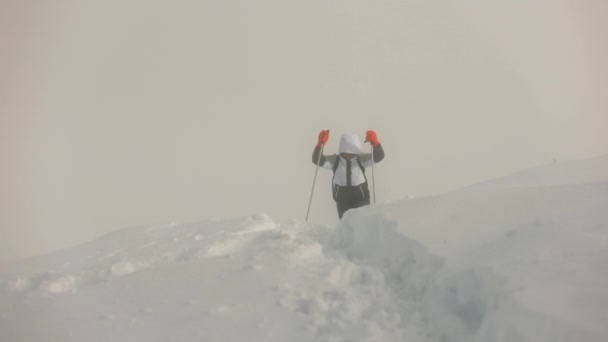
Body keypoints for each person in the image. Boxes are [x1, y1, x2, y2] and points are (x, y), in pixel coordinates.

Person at [312, 130, 385, 218]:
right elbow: (317, 160)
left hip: (360, 196)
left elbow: (379, 156)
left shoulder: (361, 159)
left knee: (361, 221)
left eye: (352, 153)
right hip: (342, 197)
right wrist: (320, 145)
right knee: (345, 224)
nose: (349, 155)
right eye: (346, 153)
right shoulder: (335, 160)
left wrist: (375, 143)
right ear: (341, 151)